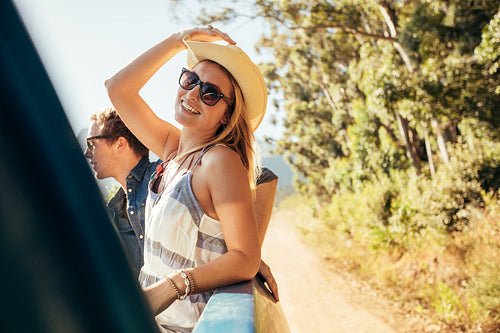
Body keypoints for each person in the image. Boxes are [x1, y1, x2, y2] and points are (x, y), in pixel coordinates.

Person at [106, 26, 273, 332]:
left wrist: (174, 285)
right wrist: (176, 40)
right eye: (190, 79)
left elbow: (245, 257)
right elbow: (117, 88)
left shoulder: (219, 161)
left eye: (211, 94)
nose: (193, 94)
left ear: (226, 115)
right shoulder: (173, 149)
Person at [84, 109, 280, 298]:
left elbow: (263, 177)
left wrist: (248, 252)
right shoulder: (113, 212)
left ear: (120, 144)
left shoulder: (168, 176)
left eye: (92, 143)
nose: (86, 153)